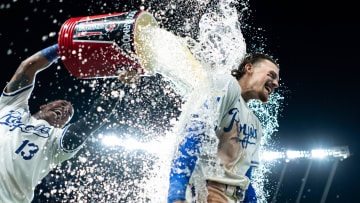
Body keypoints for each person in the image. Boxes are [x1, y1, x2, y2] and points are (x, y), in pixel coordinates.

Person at [0, 44, 130, 202]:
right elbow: (28, 66)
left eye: (68, 115)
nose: (65, 111)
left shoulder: (55, 142)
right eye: (62, 104)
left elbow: (90, 122)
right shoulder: (11, 106)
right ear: (44, 106)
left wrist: (119, 84)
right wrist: (63, 47)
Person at [167, 53, 280, 203]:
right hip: (210, 192)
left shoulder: (256, 124)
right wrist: (176, 195)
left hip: (234, 197)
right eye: (271, 75)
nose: (276, 83)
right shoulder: (227, 85)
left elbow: (245, 178)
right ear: (249, 68)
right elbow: (193, 137)